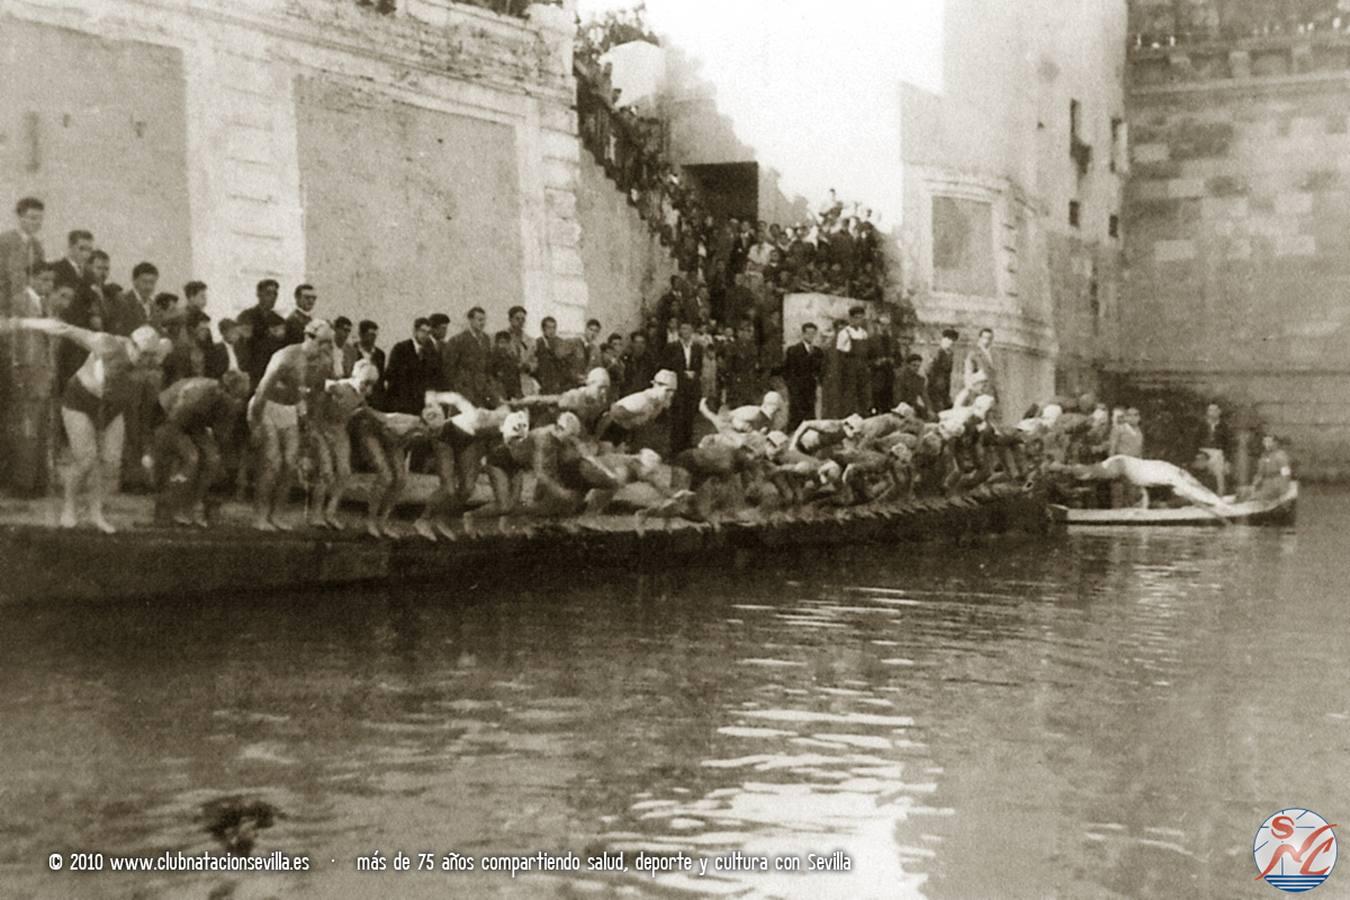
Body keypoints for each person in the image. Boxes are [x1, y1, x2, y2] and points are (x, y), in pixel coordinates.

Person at [1, 317, 167, 531]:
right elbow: (65, 328)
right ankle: (69, 508)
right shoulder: (107, 343)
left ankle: (95, 513)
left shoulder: (155, 357)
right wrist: (22, 323)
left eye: (150, 356)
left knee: (110, 461)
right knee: (86, 459)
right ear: (131, 344)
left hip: (112, 408)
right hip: (80, 400)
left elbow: (164, 350)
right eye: (142, 354)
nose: (145, 360)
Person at [247, 318, 334, 531]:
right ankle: (260, 516)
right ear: (308, 337)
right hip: (266, 406)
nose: (325, 348)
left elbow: (318, 397)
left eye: (329, 343)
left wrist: (312, 424)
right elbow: (261, 392)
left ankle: (277, 514)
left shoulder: (324, 362)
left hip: (290, 409)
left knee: (290, 463)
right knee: (272, 462)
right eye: (322, 342)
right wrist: (255, 424)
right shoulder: (286, 357)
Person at [154, 371, 250, 526]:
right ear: (223, 390)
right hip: (168, 419)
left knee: (213, 460)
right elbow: (175, 420)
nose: (237, 402)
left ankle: (192, 505)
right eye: (235, 397)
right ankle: (174, 506)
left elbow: (222, 437)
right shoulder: (198, 395)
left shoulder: (228, 403)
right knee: (191, 458)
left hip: (194, 423)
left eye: (240, 399)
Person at [306, 359, 379, 529]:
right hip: (321, 429)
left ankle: (330, 513)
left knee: (345, 472)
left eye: (371, 384)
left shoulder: (362, 394)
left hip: (339, 430)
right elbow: (316, 388)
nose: (368, 388)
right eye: (365, 383)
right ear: (357, 377)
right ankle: (315, 514)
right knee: (325, 471)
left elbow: (363, 408)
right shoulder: (340, 386)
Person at [660, 320, 703, 454]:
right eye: (683, 329)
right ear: (680, 331)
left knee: (689, 416)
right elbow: (666, 364)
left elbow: (699, 365)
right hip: (678, 385)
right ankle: (675, 447)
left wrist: (694, 374)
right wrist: (681, 372)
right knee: (677, 415)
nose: (686, 332)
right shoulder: (672, 347)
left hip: (691, 386)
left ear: (692, 332)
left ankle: (687, 445)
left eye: (688, 329)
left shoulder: (697, 348)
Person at [384, 317, 442, 414]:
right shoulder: (401, 348)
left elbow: (433, 376)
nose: (425, 335)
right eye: (423, 331)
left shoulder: (430, 352)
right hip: (401, 402)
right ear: (415, 331)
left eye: (428, 333)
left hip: (420, 404)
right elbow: (391, 375)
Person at [237, 279, 286, 389]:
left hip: (272, 373)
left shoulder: (278, 320)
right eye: (268, 293)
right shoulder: (246, 317)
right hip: (252, 373)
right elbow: (242, 346)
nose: (273, 297)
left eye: (275, 294)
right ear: (259, 294)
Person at [0, 197, 45, 316]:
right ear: (20, 217)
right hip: (5, 305)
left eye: (40, 218)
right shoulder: (5, 242)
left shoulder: (37, 246)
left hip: (29, 306)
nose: (37, 222)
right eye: (33, 218)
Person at [442, 306, 493, 405]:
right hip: (464, 388)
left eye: (484, 320)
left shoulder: (486, 339)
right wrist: (457, 387)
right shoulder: (458, 340)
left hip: (481, 388)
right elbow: (449, 367)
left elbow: (487, 364)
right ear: (470, 320)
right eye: (479, 320)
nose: (482, 323)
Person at [783, 322, 824, 430]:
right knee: (796, 414)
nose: (811, 336)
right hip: (797, 388)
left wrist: (817, 380)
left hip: (810, 388)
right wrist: (791, 387)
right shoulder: (793, 350)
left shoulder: (818, 352)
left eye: (813, 333)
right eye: (808, 333)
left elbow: (820, 370)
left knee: (810, 414)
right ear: (803, 334)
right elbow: (787, 371)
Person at [836, 306, 871, 417]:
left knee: (863, 393)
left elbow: (867, 352)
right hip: (849, 368)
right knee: (849, 394)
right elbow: (840, 355)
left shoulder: (864, 333)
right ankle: (848, 417)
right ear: (850, 318)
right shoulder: (844, 333)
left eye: (861, 318)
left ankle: (863, 416)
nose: (858, 321)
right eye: (856, 318)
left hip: (862, 367)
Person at [346, 320, 386, 407]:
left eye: (375, 335)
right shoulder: (351, 351)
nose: (373, 338)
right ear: (361, 334)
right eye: (370, 334)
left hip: (374, 401)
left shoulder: (380, 354)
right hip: (355, 397)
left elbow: (381, 380)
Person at [1196, 402, 1232, 497]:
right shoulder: (1202, 425)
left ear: (1219, 412)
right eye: (1210, 410)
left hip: (1217, 452)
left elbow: (1228, 445)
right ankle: (1200, 496)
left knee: (1219, 474)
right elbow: (1195, 440)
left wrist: (1227, 460)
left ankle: (1220, 496)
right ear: (1207, 412)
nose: (1212, 413)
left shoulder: (1224, 426)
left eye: (1215, 410)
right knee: (1200, 474)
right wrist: (1198, 453)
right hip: (1203, 452)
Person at [963, 328, 1000, 415]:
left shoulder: (993, 355)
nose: (986, 341)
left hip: (990, 393)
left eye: (989, 338)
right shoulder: (974, 354)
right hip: (978, 392)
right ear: (980, 338)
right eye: (984, 338)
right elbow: (968, 375)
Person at [1246, 434, 1293, 502]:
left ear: (1275, 443)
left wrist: (1281, 489)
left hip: (1277, 485)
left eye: (1269, 441)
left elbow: (1286, 475)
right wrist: (1254, 485)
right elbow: (1260, 473)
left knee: (1257, 496)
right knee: (1244, 492)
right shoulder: (1264, 456)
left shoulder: (1281, 455)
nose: (1266, 444)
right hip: (1265, 484)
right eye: (1264, 441)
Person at [894, 353, 931, 419]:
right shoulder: (900, 378)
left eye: (918, 366)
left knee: (931, 417)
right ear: (908, 365)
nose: (916, 368)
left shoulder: (919, 379)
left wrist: (929, 409)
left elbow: (924, 396)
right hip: (901, 406)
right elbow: (897, 397)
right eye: (914, 365)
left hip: (913, 406)